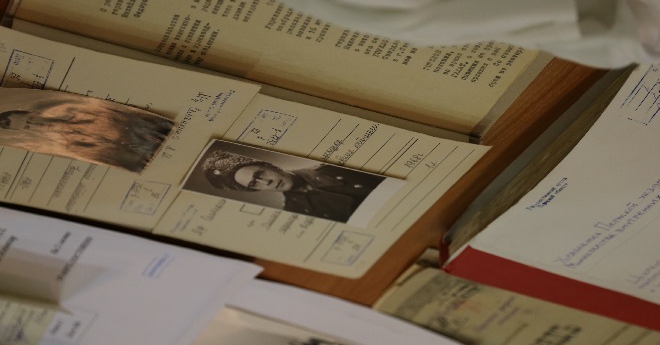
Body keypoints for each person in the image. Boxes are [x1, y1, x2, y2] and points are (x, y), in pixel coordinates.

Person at [200, 149, 385, 222]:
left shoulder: (333, 164)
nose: (266, 182)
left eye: (260, 174)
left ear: (270, 166)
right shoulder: (295, 214)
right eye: (254, 184)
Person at [0, 95, 174, 173]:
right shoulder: (74, 148)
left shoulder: (88, 113)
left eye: (31, 120)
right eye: (29, 127)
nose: (38, 125)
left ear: (34, 113)